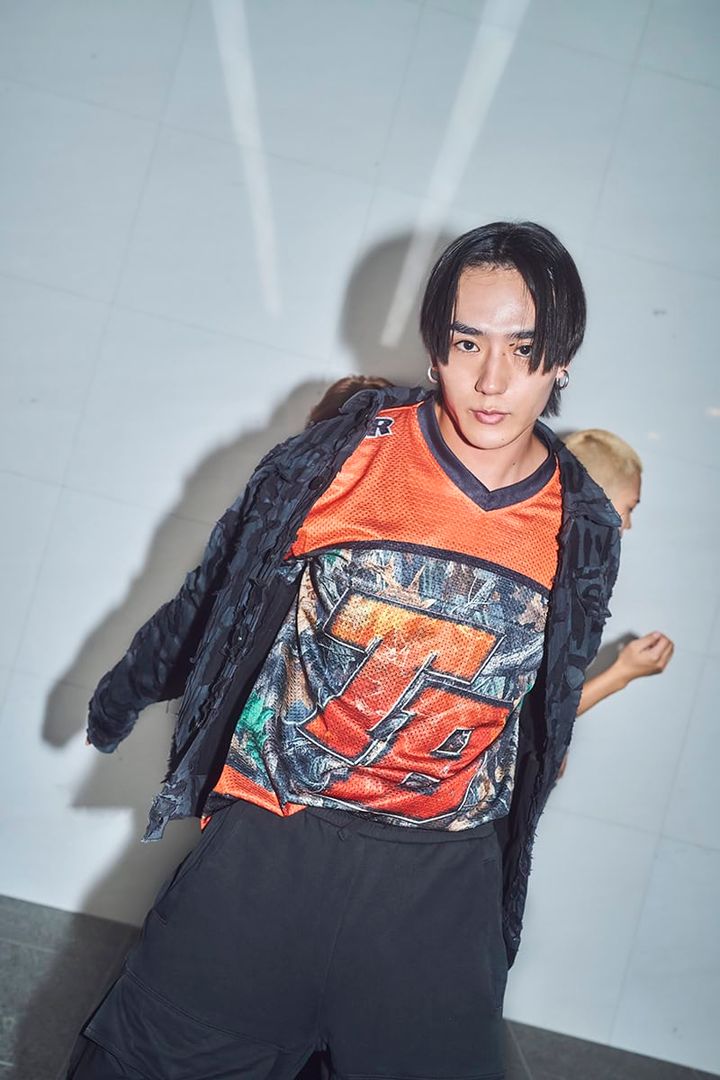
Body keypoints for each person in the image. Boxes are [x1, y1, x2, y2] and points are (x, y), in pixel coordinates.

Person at [68, 221, 621, 1080]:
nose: (491, 379)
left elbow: (546, 701)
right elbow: (216, 595)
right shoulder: (340, 458)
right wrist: (123, 694)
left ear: (563, 359)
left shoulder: (581, 526)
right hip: (272, 848)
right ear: (435, 346)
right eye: (467, 343)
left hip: (439, 890)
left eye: (523, 347)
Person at [557, 428, 673, 777]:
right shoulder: (562, 583)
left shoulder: (567, 570)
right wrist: (623, 673)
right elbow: (539, 714)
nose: (629, 524)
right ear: (601, 499)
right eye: (629, 507)